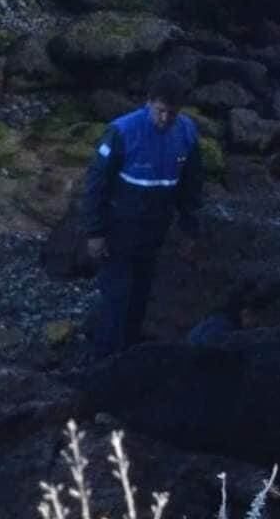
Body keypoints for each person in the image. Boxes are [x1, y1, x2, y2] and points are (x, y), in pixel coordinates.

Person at [82, 72, 204, 358]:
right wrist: (94, 232)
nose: (164, 119)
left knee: (140, 299)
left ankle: (130, 359)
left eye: (171, 114)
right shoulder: (122, 131)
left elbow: (191, 186)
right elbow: (96, 183)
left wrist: (189, 229)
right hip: (119, 231)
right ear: (149, 103)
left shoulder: (187, 133)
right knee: (116, 300)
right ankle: (103, 363)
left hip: (154, 234)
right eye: (160, 111)